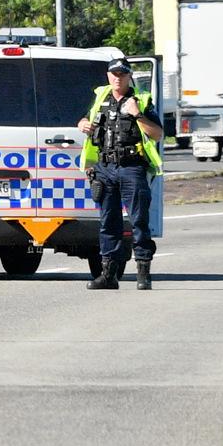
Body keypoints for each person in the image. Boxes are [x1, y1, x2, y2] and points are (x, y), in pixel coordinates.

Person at [77, 58, 162, 291]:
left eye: (122, 74)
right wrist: (82, 123)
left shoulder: (141, 101)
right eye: (114, 74)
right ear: (108, 75)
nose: (117, 78)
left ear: (129, 76)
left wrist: (137, 115)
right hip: (105, 168)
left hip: (131, 167)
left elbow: (157, 134)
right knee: (108, 223)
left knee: (138, 221)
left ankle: (143, 273)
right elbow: (85, 118)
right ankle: (108, 275)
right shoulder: (101, 98)